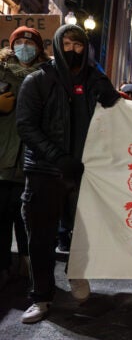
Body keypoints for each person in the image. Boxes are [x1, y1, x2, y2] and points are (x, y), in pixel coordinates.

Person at [16, 24, 121, 324]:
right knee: (41, 238)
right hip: (44, 172)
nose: (73, 50)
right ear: (57, 45)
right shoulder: (38, 81)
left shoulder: (94, 81)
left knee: (84, 234)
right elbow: (26, 125)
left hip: (84, 173)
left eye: (79, 45)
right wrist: (57, 156)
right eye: (68, 43)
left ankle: (77, 275)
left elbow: (122, 116)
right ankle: (41, 296)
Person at [0, 27, 50, 289]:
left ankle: (27, 267)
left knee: (27, 217)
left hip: (31, 161)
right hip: (2, 157)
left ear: (39, 48)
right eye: (18, 42)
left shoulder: (46, 76)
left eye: (29, 43)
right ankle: (3, 267)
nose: (24, 47)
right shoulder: (1, 69)